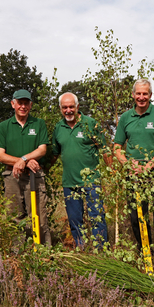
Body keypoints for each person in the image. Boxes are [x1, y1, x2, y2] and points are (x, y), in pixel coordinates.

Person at [114, 79, 154, 261]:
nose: (142, 97)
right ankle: (145, 255)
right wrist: (128, 164)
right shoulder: (125, 118)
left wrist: (150, 165)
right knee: (137, 217)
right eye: (138, 94)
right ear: (133, 95)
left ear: (150, 95)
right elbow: (117, 147)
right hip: (133, 175)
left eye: (145, 94)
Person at [50, 92, 109, 247]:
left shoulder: (90, 123)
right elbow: (54, 154)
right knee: (75, 220)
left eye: (71, 107)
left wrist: (113, 171)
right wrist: (44, 169)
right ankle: (81, 250)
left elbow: (104, 149)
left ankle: (101, 252)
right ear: (60, 109)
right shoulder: (58, 128)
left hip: (91, 181)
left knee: (97, 218)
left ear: (77, 107)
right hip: (70, 183)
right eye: (65, 107)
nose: (68, 110)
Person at [0, 89, 52, 245]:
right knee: (13, 216)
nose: (23, 106)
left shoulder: (38, 123)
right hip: (12, 176)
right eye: (20, 103)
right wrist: (23, 161)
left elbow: (42, 149)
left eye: (26, 103)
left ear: (31, 105)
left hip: (35, 176)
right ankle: (16, 254)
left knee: (38, 215)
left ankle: (42, 251)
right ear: (13, 104)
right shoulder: (4, 126)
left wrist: (25, 159)